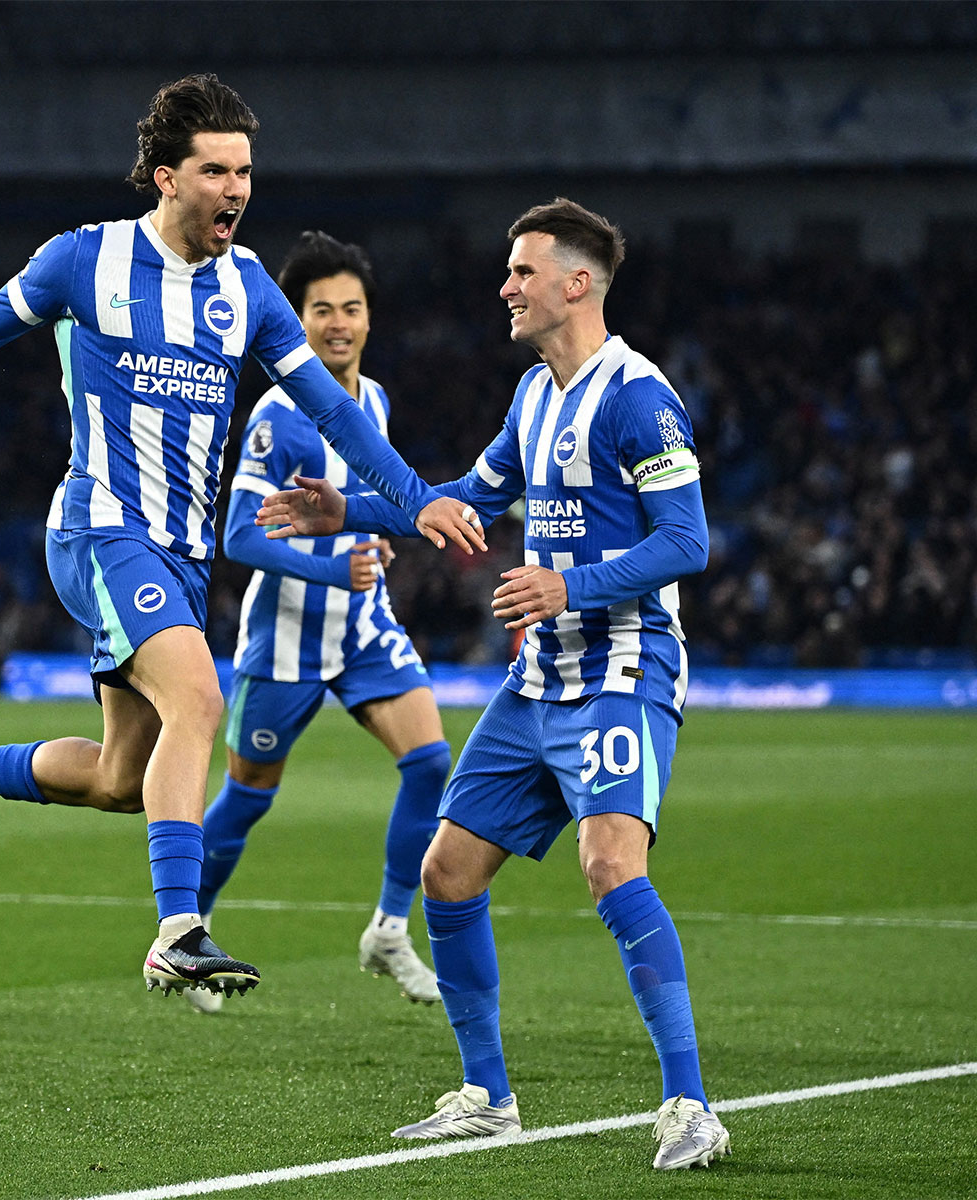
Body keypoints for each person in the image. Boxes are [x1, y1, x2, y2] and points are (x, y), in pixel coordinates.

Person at [0, 74, 484, 1001]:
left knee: (124, 780)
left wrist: (417, 496)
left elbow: (337, 411)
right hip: (100, 530)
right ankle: (179, 931)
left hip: (181, 555)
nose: (237, 189)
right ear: (165, 177)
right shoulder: (84, 261)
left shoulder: (246, 288)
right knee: (201, 701)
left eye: (245, 171)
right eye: (215, 170)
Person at [256, 199, 728, 1170]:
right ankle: (486, 1096)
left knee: (609, 865)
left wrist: (568, 583)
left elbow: (688, 541)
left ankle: (690, 1107)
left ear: (575, 282)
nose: (503, 287)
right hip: (539, 672)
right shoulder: (532, 395)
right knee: (445, 873)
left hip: (622, 666)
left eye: (521, 271)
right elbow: (468, 499)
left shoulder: (637, 397)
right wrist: (347, 506)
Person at [188, 232, 451, 1015]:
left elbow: (362, 508)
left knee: (432, 763)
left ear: (370, 318)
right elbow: (238, 536)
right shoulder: (277, 414)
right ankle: (187, 928)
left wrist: (385, 541)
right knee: (247, 798)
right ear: (296, 320)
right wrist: (335, 565)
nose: (339, 323)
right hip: (287, 642)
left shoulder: (373, 401)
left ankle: (388, 929)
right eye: (322, 310)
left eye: (353, 308)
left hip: (364, 632)